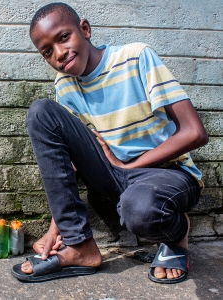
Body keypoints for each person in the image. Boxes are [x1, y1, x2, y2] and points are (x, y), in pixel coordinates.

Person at [11, 2, 208, 283]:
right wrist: (58, 230)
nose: (59, 53)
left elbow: (194, 132)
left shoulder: (136, 57)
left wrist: (131, 165)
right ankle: (80, 246)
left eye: (64, 37)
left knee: (139, 211)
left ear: (86, 29)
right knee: (41, 112)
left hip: (167, 174)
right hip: (115, 175)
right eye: (47, 51)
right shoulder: (65, 85)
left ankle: (177, 234)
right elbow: (70, 165)